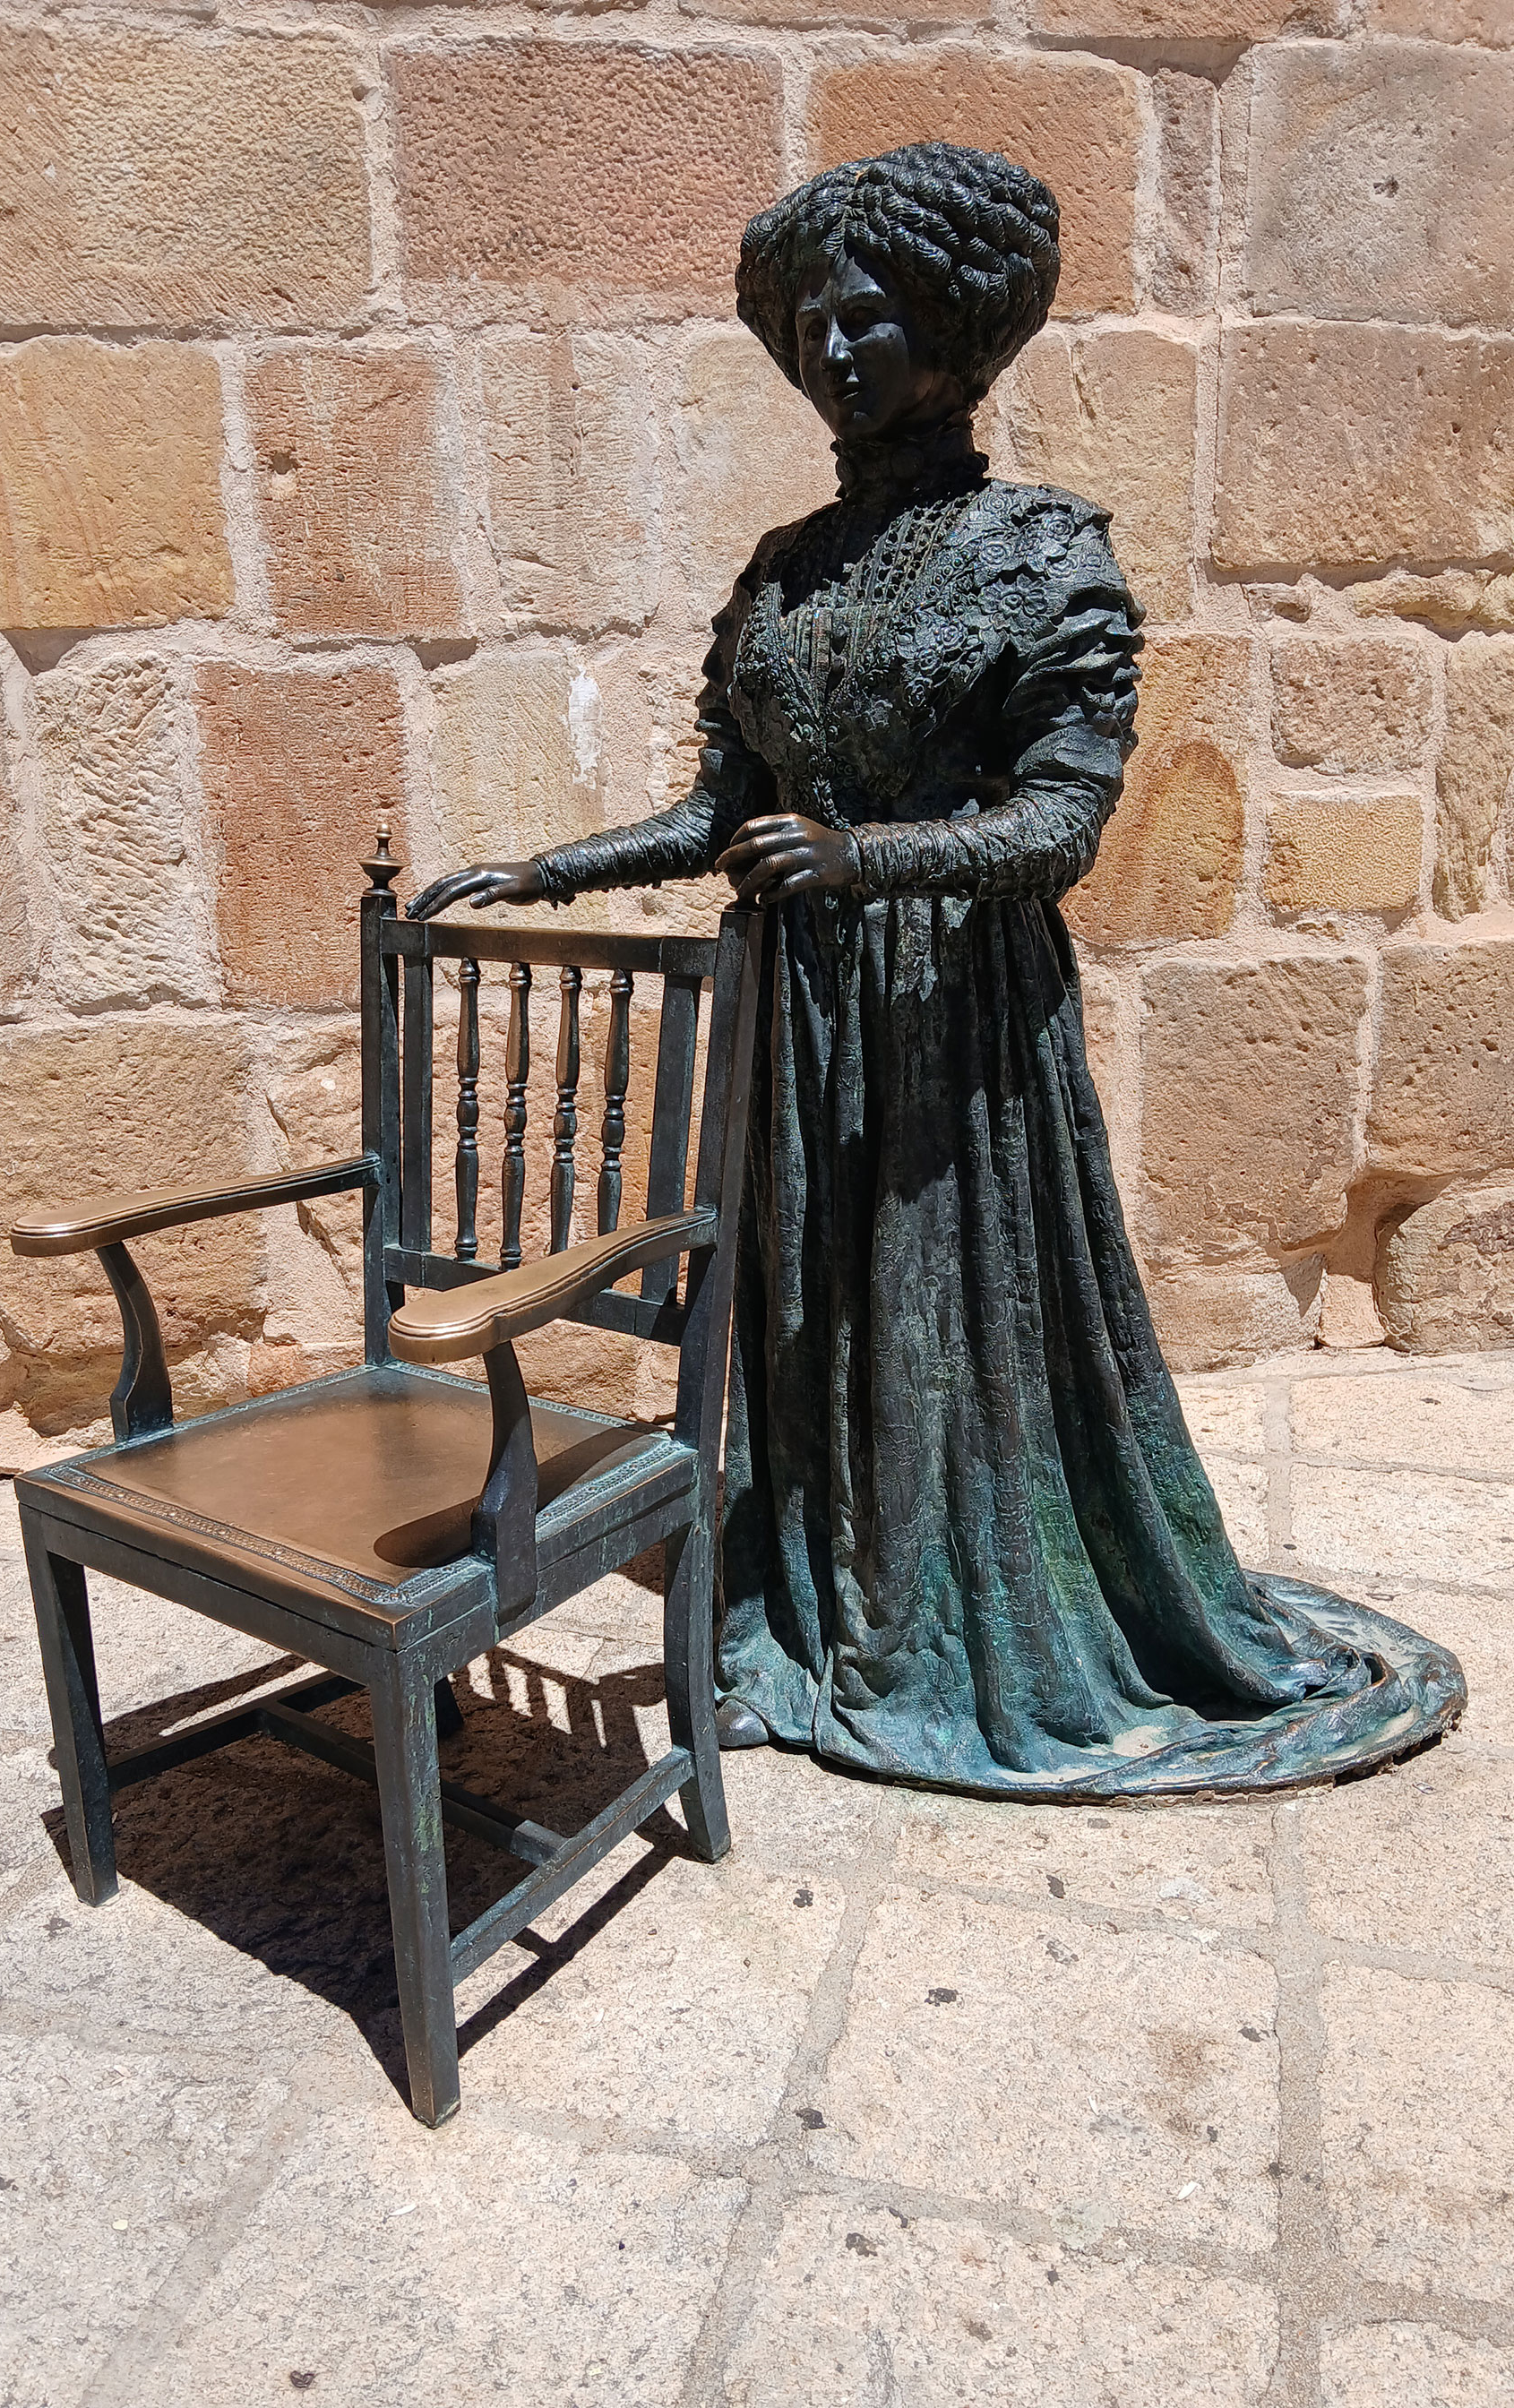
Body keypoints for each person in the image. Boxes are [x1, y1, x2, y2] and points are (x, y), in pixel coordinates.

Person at [409, 142, 1463, 1798]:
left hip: (956, 1017)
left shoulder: (1042, 552)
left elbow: (1062, 823)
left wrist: (869, 858)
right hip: (804, 1018)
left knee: (951, 1314)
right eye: (813, 322)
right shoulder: (781, 567)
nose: (833, 349)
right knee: (810, 1313)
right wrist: (552, 868)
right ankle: (815, 1607)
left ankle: (970, 1620)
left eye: (872, 316)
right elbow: (722, 807)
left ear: (959, 331)